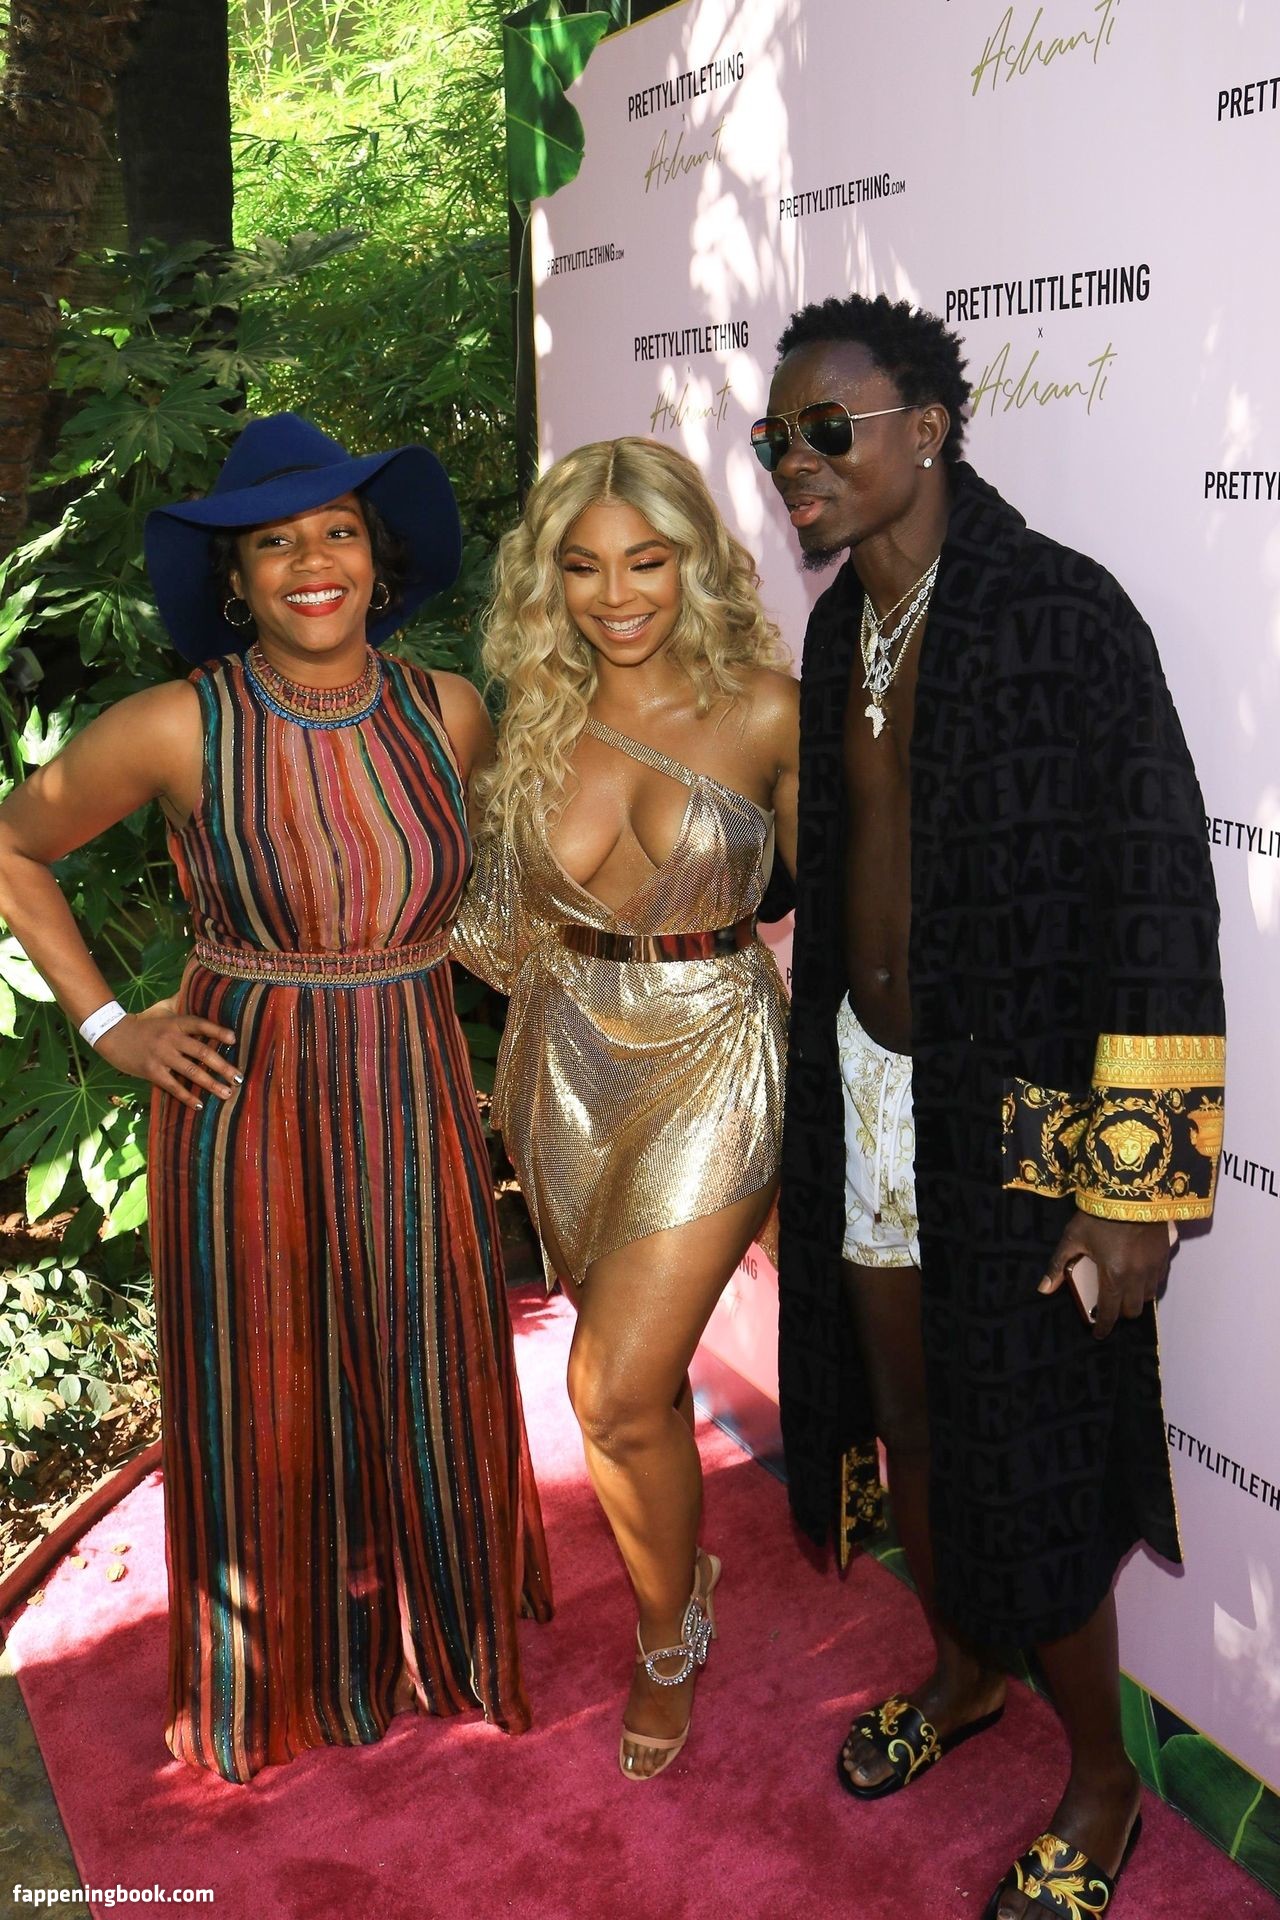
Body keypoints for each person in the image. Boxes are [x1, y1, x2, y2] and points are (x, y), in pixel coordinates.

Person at [0, 413, 552, 1783]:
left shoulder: (451, 711)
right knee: (263, 1381)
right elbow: (12, 845)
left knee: (432, 1359)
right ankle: (278, 1680)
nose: (312, 562)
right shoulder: (174, 724)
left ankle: (447, 1642)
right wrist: (112, 1025)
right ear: (236, 580)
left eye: (338, 533)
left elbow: (498, 889)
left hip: (416, 1080)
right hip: (242, 1099)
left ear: (379, 557)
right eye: (275, 543)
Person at [758, 296, 1224, 1916]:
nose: (797, 461)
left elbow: (1161, 903)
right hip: (872, 1090)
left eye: (830, 429)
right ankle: (962, 1676)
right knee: (906, 1412)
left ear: (930, 429)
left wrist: (1135, 1186)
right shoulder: (838, 631)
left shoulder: (1063, 612)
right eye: (778, 439)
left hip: (1024, 1119)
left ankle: (1103, 1784)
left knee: (1030, 1447)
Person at [451, 436, 798, 1780]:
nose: (616, 595)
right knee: (631, 1398)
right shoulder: (530, 723)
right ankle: (680, 1561)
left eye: (645, 561)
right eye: (583, 567)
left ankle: (666, 1638)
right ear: (549, 581)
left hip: (713, 1049)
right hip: (561, 1061)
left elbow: (866, 898)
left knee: (608, 1387)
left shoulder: (767, 712)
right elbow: (484, 926)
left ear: (693, 560)